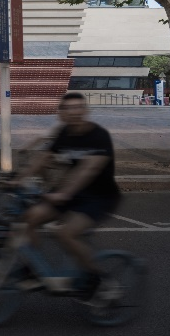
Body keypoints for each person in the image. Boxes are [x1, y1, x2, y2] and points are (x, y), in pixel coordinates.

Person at [14, 91, 121, 300]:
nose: (74, 112)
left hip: (99, 197)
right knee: (30, 217)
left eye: (79, 107)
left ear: (86, 110)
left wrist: (64, 193)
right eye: (69, 108)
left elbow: (89, 169)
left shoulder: (99, 136)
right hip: (72, 193)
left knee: (65, 233)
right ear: (61, 113)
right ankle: (33, 269)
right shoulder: (64, 133)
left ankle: (99, 279)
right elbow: (43, 158)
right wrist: (17, 179)